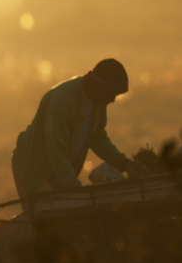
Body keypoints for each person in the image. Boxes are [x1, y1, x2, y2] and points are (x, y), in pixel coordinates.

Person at [12, 58, 151, 208]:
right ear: (100, 88)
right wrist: (77, 190)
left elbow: (97, 138)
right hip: (35, 170)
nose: (112, 100)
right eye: (111, 94)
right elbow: (56, 152)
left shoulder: (98, 101)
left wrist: (124, 163)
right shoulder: (62, 102)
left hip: (57, 171)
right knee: (44, 223)